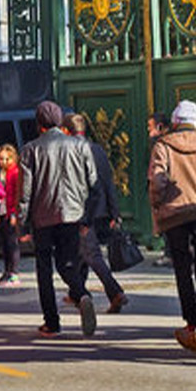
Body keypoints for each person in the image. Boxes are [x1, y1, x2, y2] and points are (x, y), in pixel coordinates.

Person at [19, 100, 99, 338]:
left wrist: (22, 223)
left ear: (39, 123)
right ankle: (81, 294)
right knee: (67, 263)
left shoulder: (30, 150)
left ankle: (51, 322)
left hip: (42, 217)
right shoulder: (80, 146)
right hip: (73, 214)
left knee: (44, 269)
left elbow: (25, 192)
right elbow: (93, 183)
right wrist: (87, 217)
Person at [149, 102, 196, 351]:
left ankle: (191, 320)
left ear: (175, 122)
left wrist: (158, 203)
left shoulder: (163, 145)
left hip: (175, 215)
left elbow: (157, 181)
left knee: (183, 269)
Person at [67, 113, 127, 313]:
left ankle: (115, 292)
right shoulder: (98, 149)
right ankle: (77, 292)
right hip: (100, 209)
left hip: (82, 211)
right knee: (80, 252)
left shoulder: (71, 151)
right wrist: (114, 211)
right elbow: (108, 180)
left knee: (91, 253)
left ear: (66, 131)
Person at [0, 143, 21, 283]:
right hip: (1, 210)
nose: (3, 162)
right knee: (4, 243)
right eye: (1, 159)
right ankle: (7, 271)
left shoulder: (15, 173)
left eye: (7, 159)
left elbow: (18, 194)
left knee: (12, 242)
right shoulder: (0, 173)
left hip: (11, 210)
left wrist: (15, 213)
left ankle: (14, 272)